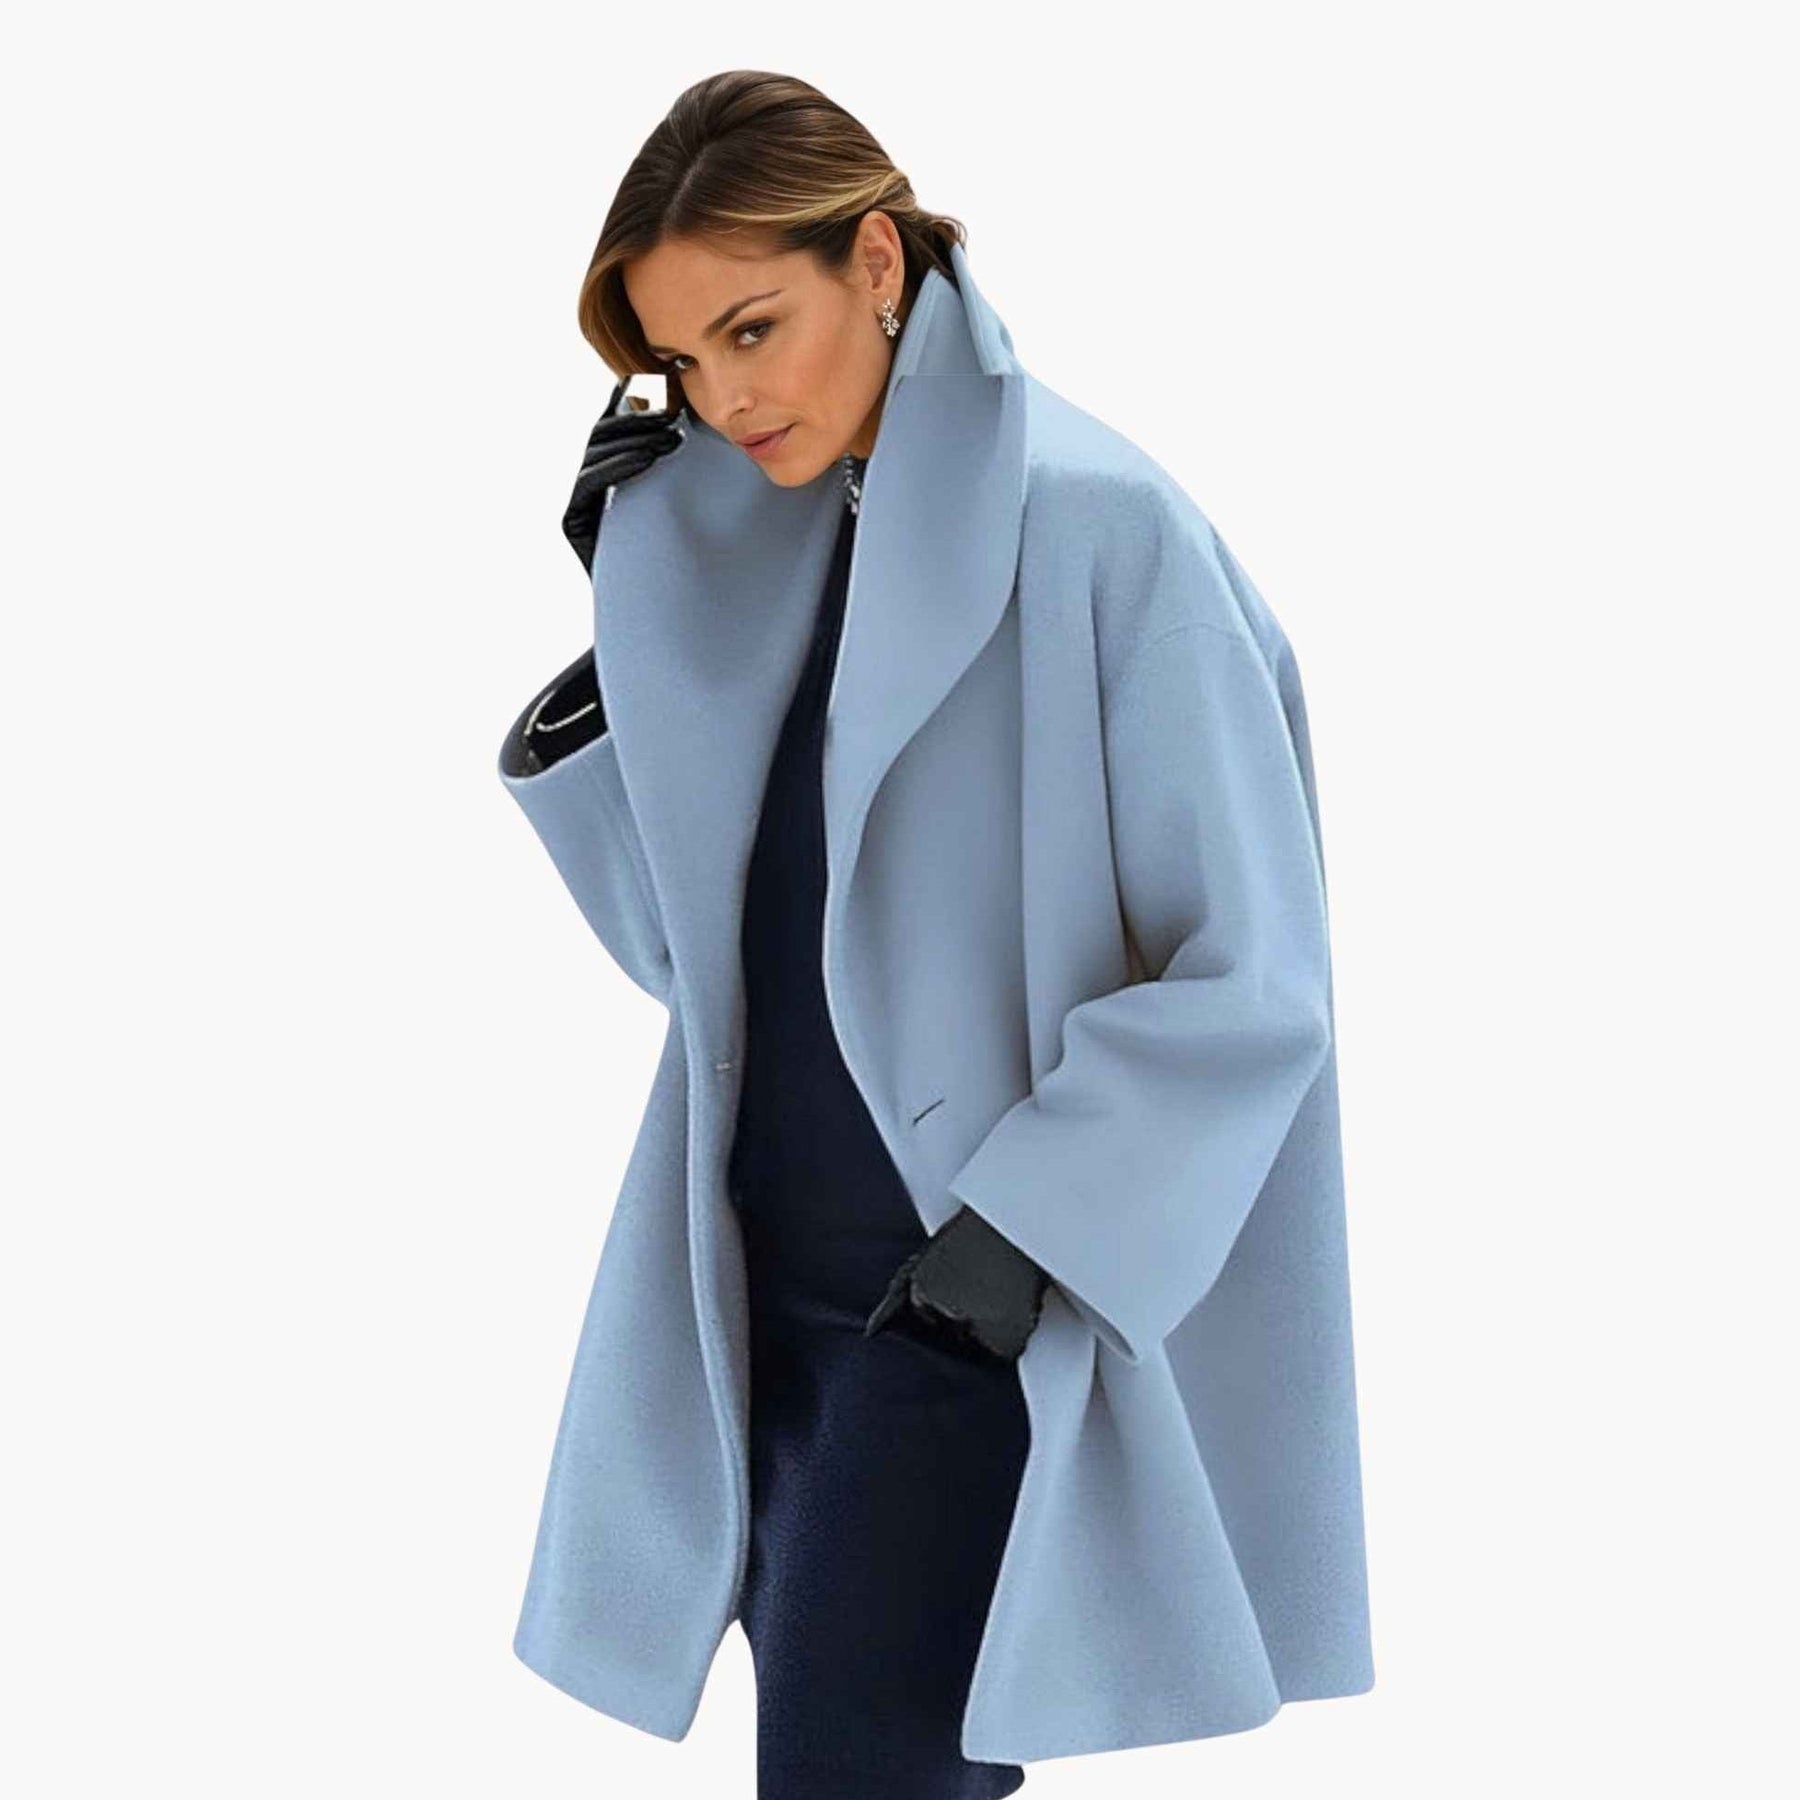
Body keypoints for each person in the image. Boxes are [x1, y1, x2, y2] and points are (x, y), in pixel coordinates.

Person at [498, 66, 1371, 1800]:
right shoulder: (768, 549)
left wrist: (1014, 1249)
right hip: (754, 1303)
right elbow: (697, 967)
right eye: (682, 364)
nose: (726, 398)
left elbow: (1254, 976)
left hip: (959, 1322)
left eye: (754, 328)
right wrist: (639, 623)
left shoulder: (1103, 529)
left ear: (880, 261)